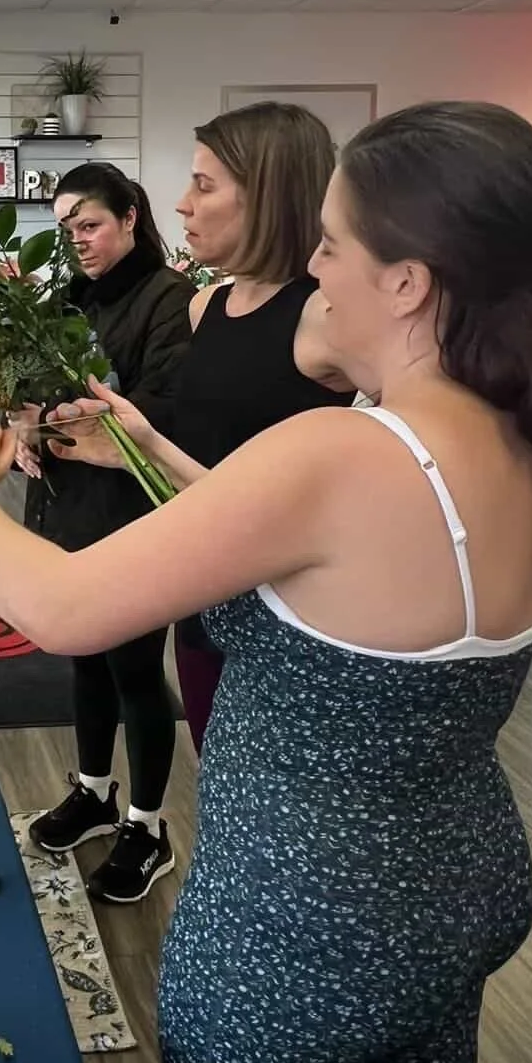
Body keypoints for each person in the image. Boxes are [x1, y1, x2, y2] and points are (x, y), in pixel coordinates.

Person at [0, 103, 532, 1063]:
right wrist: (140, 439)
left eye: (331, 245)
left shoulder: (338, 450)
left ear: (408, 281)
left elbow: (69, 610)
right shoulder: (531, 440)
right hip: (452, 889)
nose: (314, 268)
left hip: (295, 924)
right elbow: (270, 531)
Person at [15, 163, 193, 903]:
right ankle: (93, 791)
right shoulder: (69, 297)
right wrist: (22, 425)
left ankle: (147, 827)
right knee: (82, 654)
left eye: (88, 225)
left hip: (134, 515)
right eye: (65, 230)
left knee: (134, 671)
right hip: (70, 504)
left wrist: (71, 423)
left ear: (129, 216)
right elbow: (32, 383)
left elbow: (160, 406)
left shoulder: (170, 299)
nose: (77, 241)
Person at [167, 103, 356, 751]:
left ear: (269, 197)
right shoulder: (204, 306)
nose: (182, 205)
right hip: (201, 593)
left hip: (293, 619)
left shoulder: (326, 320)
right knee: (215, 771)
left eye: (204, 185)